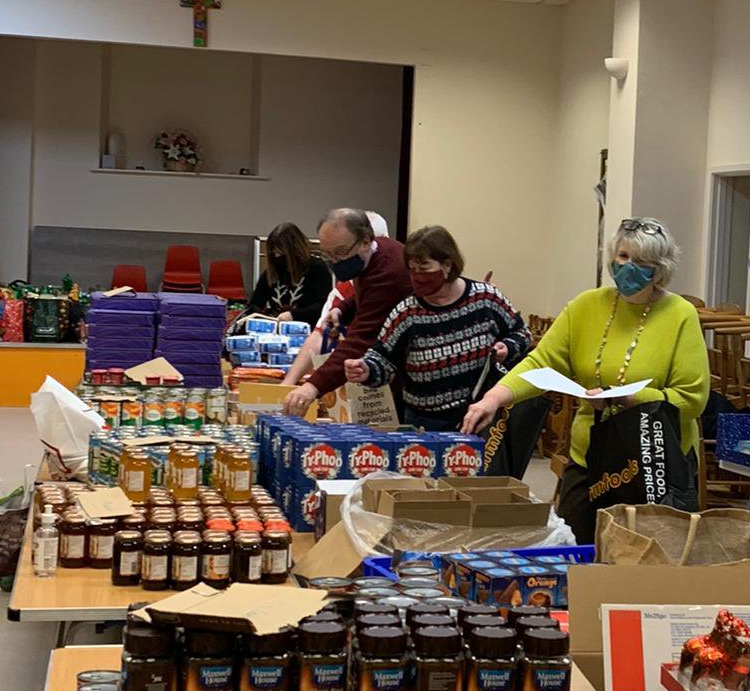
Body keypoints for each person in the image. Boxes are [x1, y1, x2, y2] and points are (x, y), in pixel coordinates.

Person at [462, 217, 710, 542]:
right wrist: (494, 398)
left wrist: (628, 398)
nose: (629, 267)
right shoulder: (587, 306)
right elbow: (541, 362)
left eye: (642, 262)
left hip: (653, 462)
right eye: (623, 257)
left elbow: (691, 399)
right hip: (591, 454)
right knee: (574, 554)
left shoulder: (680, 315)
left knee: (643, 564)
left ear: (660, 267)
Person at [344, 225, 531, 430]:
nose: (416, 276)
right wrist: (366, 370)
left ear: (447, 265)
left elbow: (522, 333)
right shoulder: (406, 312)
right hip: (423, 423)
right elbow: (383, 359)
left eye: (424, 269)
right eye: (411, 269)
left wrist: (508, 346)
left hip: (478, 416)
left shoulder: (486, 299)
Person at [283, 209, 409, 415]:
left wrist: (312, 387)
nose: (335, 261)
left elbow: (359, 342)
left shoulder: (389, 273)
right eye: (327, 254)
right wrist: (342, 310)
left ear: (366, 240)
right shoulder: (374, 255)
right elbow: (363, 296)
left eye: (340, 252)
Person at [245, 223, 332, 330]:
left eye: (281, 253)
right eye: (274, 253)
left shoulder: (316, 268)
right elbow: (255, 304)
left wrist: (294, 315)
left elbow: (324, 305)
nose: (277, 257)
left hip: (307, 330)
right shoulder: (272, 272)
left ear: (294, 251)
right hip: (276, 331)